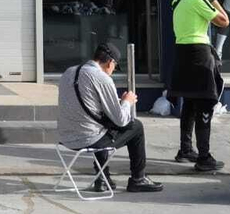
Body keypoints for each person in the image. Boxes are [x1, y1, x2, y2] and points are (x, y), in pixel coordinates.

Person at [56, 43, 163, 194]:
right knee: (136, 127)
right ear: (110, 62)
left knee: (100, 126)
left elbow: (87, 104)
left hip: (65, 137)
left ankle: (102, 179)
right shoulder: (102, 78)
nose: (112, 72)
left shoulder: (69, 72)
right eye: (115, 67)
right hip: (87, 139)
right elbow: (121, 120)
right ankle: (138, 179)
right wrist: (127, 102)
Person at [169, 0, 229, 172]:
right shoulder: (196, 0)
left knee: (189, 102)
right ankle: (204, 157)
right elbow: (224, 21)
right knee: (204, 103)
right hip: (198, 54)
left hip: (183, 53)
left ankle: (185, 149)